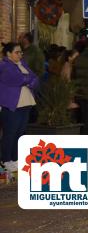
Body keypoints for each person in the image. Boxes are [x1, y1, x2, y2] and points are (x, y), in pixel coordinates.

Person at [0, 43, 38, 172]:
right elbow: (17, 79)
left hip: (26, 104)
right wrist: (28, 79)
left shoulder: (23, 64)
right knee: (10, 133)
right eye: (17, 52)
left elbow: (35, 78)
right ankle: (5, 160)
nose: (20, 54)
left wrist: (28, 79)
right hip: (12, 105)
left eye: (21, 52)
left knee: (20, 133)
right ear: (8, 54)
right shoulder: (4, 66)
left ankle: (15, 158)